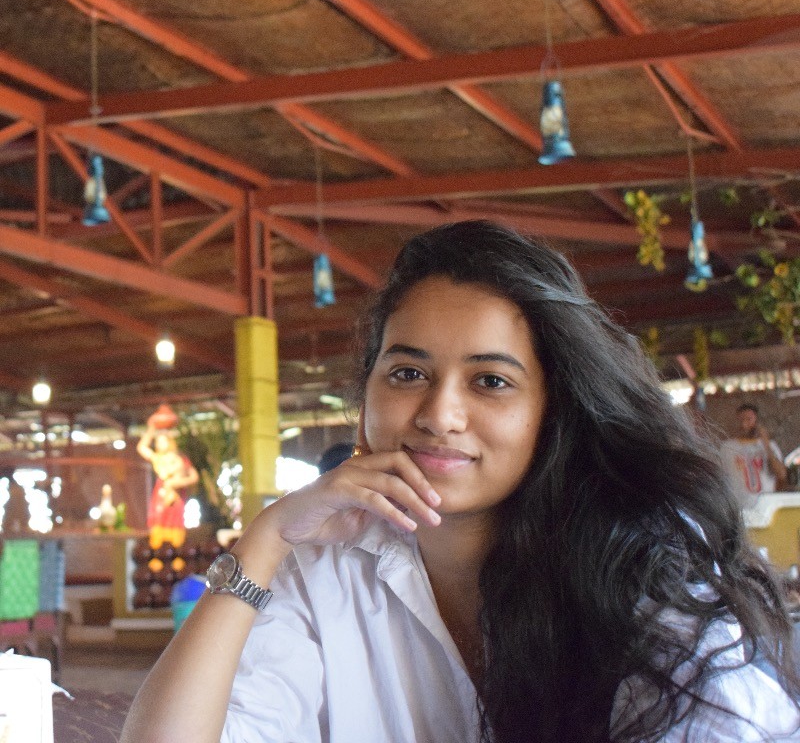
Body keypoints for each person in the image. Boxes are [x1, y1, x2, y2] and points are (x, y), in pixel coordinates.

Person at [122, 221, 800, 743]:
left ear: (552, 410)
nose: (440, 415)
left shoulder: (640, 555)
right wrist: (263, 542)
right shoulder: (322, 570)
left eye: (491, 382)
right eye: (407, 374)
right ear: (367, 398)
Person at [137, 423, 199, 550]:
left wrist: (175, 484)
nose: (159, 444)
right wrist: (151, 430)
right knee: (158, 533)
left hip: (175, 497)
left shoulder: (180, 459)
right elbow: (142, 447)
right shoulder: (158, 458)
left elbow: (194, 477)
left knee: (175, 532)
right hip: (161, 497)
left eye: (162, 441)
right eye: (157, 442)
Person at [720, 402, 789, 507]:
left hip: (765, 507)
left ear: (757, 421)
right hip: (740, 507)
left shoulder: (770, 446)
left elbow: (781, 474)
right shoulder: (727, 448)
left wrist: (765, 443)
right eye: (741, 420)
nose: (744, 424)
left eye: (749, 420)